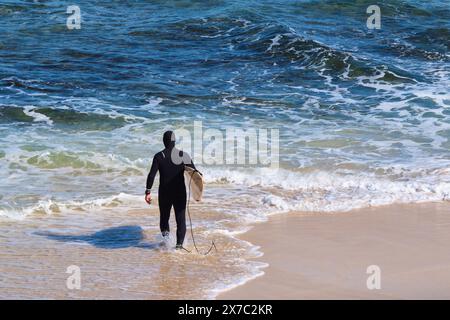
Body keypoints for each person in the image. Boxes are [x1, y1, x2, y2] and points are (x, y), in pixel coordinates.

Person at [145, 131, 198, 249]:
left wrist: (148, 192)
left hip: (165, 193)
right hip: (180, 193)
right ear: (174, 141)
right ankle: (179, 246)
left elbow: (151, 175)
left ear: (164, 141)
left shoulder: (159, 156)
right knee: (181, 220)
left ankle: (166, 243)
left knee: (164, 218)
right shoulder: (183, 155)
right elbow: (195, 174)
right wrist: (197, 192)